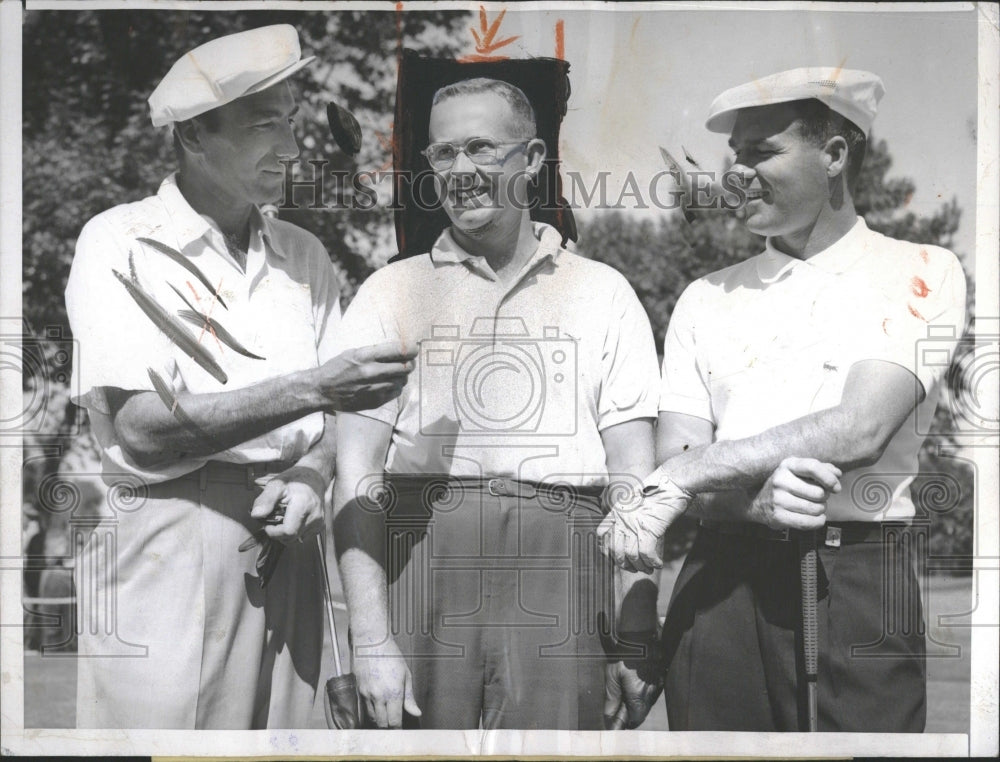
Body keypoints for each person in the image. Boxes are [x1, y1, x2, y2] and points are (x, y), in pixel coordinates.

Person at [65, 25, 415, 729]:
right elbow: (144, 431)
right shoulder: (119, 241)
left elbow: (342, 418)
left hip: (292, 543)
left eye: (290, 123)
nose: (290, 147)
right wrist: (316, 388)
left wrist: (315, 473)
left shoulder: (303, 254)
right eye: (263, 126)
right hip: (169, 541)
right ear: (194, 136)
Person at [598, 67, 966, 731]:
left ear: (834, 155)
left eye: (762, 152)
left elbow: (860, 427)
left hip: (855, 576)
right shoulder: (705, 296)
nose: (737, 172)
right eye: (734, 156)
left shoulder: (920, 270)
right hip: (719, 582)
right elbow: (677, 453)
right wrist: (748, 499)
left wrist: (685, 474)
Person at [331, 77, 664, 729]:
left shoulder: (603, 291)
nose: (460, 170)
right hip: (423, 558)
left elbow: (634, 476)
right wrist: (370, 636)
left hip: (564, 565)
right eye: (442, 153)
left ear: (534, 159)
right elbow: (356, 473)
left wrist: (637, 623)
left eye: (480, 148)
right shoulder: (388, 292)